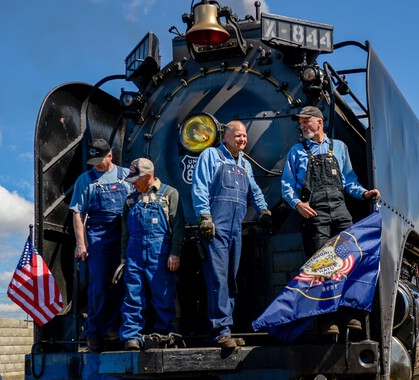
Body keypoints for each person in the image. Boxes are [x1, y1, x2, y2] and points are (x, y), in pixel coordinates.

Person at [191, 120, 272, 349]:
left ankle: (227, 327)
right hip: (217, 226)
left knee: (230, 278)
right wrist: (204, 217)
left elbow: (254, 189)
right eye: (238, 136)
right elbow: (200, 187)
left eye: (244, 136)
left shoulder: (244, 164)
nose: (242, 140)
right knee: (217, 278)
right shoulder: (211, 156)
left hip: (236, 227)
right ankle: (219, 331)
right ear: (225, 137)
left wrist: (263, 209)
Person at [281, 105, 380, 258]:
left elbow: (349, 180)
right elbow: (287, 184)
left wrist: (365, 193)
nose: (302, 126)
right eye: (300, 123)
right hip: (315, 213)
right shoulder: (296, 151)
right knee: (320, 262)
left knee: (349, 256)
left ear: (319, 122)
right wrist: (297, 204)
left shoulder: (340, 147)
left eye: (306, 121)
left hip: (340, 210)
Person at [70, 138, 132, 352]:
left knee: (122, 283)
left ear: (110, 155)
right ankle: (93, 332)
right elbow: (77, 213)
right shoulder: (85, 180)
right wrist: (81, 244)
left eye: (101, 160)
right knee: (99, 285)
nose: (97, 165)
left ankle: (113, 328)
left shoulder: (126, 176)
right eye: (94, 160)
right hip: (98, 235)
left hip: (124, 234)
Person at [119, 158, 185, 351]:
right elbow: (125, 231)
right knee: (133, 295)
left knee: (162, 294)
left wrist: (175, 253)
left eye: (136, 179)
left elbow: (178, 227)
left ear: (148, 176)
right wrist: (124, 256)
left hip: (160, 253)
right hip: (134, 253)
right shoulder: (131, 200)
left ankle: (162, 334)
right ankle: (132, 336)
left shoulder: (169, 194)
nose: (133, 183)